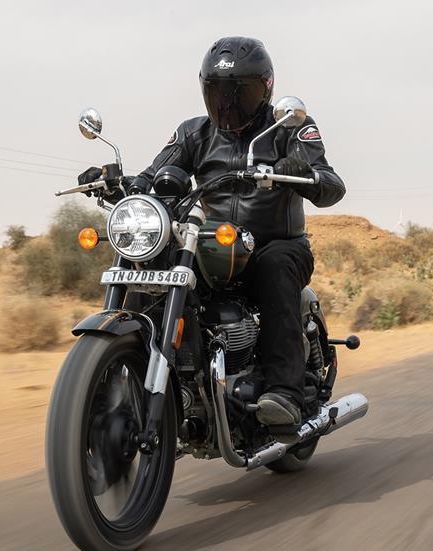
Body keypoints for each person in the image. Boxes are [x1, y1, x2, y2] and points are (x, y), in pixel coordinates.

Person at [78, 36, 345, 428]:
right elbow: (156, 175)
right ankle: (123, 386)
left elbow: (331, 184)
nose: (227, 105)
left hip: (277, 244)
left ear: (265, 89)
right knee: (153, 266)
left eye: (239, 94)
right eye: (218, 93)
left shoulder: (289, 128)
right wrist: (117, 181)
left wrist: (305, 174)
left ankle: (284, 392)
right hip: (213, 248)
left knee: (274, 266)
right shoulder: (194, 133)